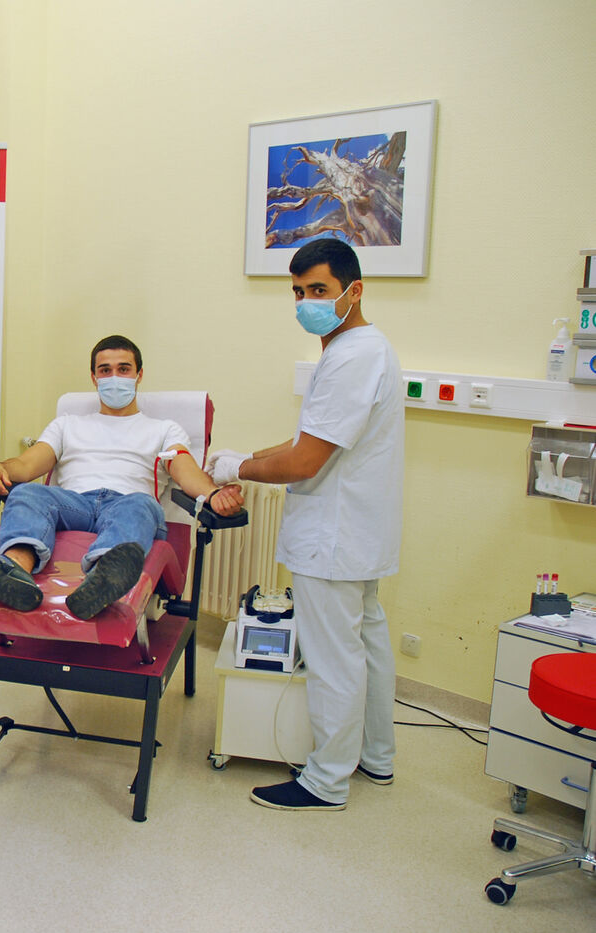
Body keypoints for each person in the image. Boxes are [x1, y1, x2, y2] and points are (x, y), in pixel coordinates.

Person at [207, 238, 403, 812]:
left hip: (335, 536)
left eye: (318, 290)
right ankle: (376, 756)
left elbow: (304, 461)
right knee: (365, 643)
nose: (305, 302)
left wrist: (237, 467)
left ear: (354, 290)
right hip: (359, 530)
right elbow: (305, 439)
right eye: (297, 292)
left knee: (333, 657)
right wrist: (245, 454)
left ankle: (326, 782)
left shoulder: (351, 356)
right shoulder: (359, 349)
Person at [0, 335, 243, 620]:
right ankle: (13, 574)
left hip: (127, 505)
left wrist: (214, 494)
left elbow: (185, 469)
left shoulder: (164, 429)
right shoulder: (67, 425)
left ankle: (101, 582)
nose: (115, 377)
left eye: (123, 369)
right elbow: (27, 464)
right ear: (94, 377)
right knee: (26, 493)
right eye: (105, 370)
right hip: (73, 503)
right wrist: (3, 469)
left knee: (142, 504)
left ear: (139, 375)